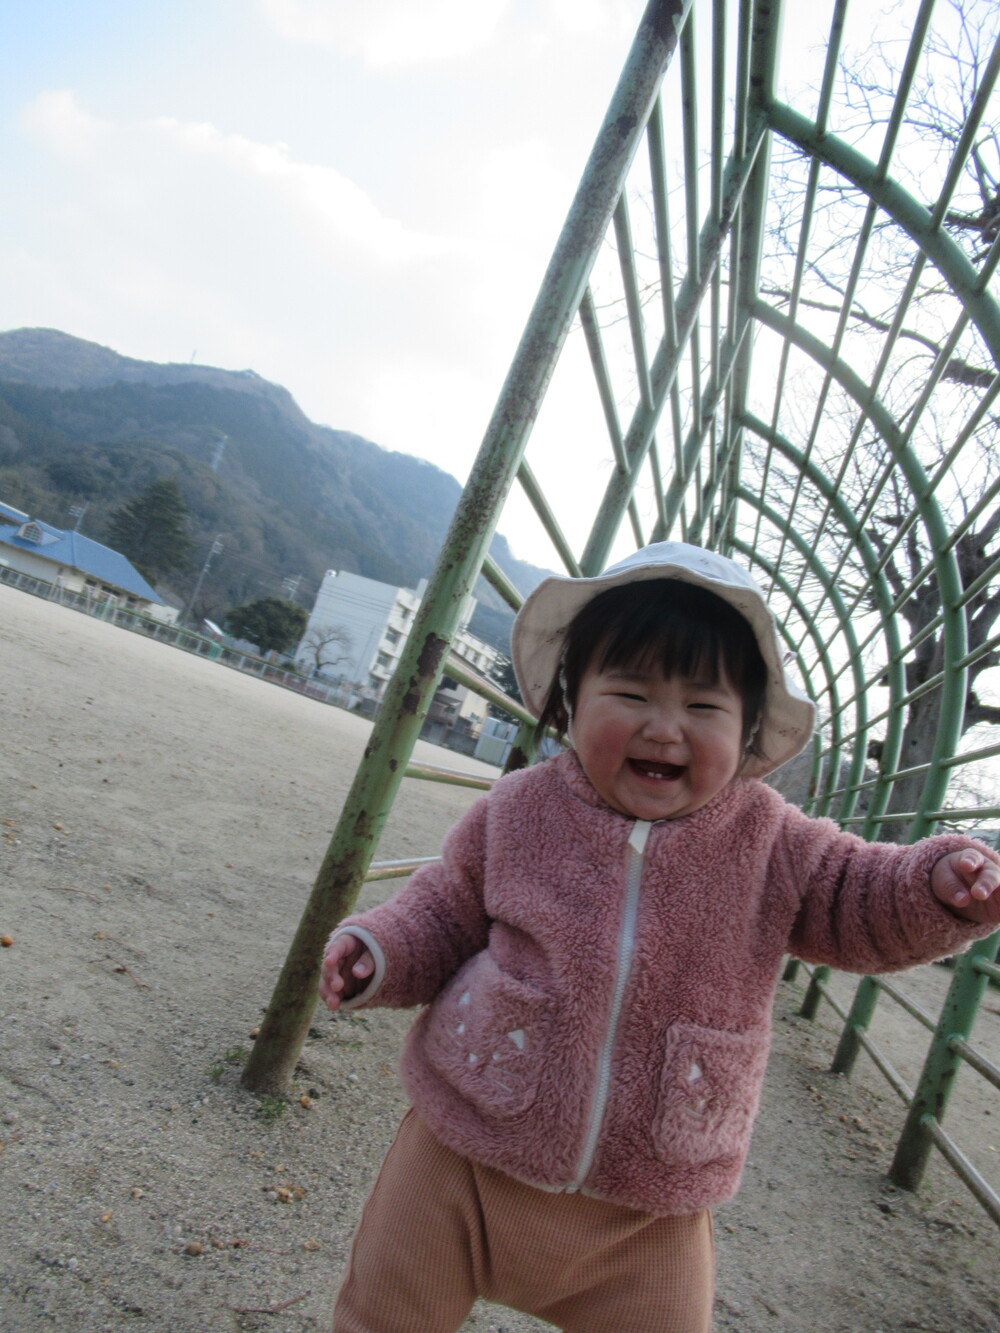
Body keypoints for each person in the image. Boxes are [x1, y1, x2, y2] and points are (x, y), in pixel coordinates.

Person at [320, 541, 1000, 1333]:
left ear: (749, 732)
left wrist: (938, 885)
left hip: (649, 1210)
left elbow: (860, 897)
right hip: (462, 1153)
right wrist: (382, 947)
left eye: (705, 707)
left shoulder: (773, 843)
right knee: (385, 1314)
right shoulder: (521, 809)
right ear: (573, 699)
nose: (664, 727)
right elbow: (445, 905)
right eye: (631, 690)